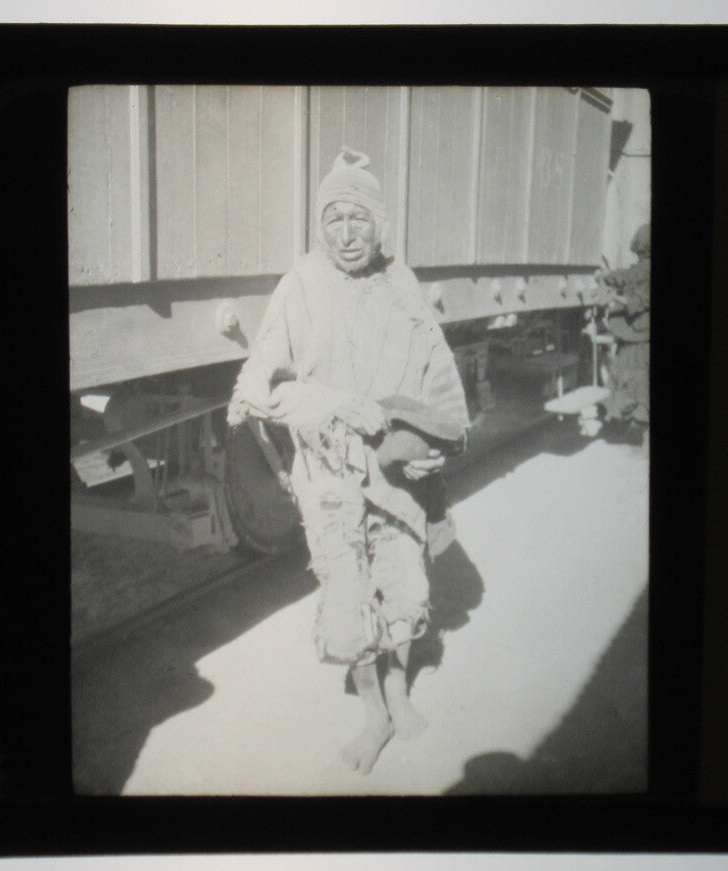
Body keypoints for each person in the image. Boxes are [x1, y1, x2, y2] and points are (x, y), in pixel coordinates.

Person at [227, 148, 469, 774]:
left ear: (379, 223)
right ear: (319, 226)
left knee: (408, 593)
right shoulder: (299, 285)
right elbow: (257, 388)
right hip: (329, 474)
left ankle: (398, 688)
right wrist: (335, 404)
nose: (346, 234)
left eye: (358, 219)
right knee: (347, 607)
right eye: (333, 220)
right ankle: (375, 714)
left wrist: (434, 450)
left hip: (394, 473)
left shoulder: (402, 285)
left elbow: (442, 383)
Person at [599, 223, 650, 447]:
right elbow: (627, 276)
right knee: (635, 377)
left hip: (637, 334)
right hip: (637, 334)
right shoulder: (644, 267)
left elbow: (639, 301)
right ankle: (634, 423)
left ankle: (636, 428)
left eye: (640, 249)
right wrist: (609, 276)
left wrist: (612, 294)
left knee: (634, 377)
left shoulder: (646, 268)